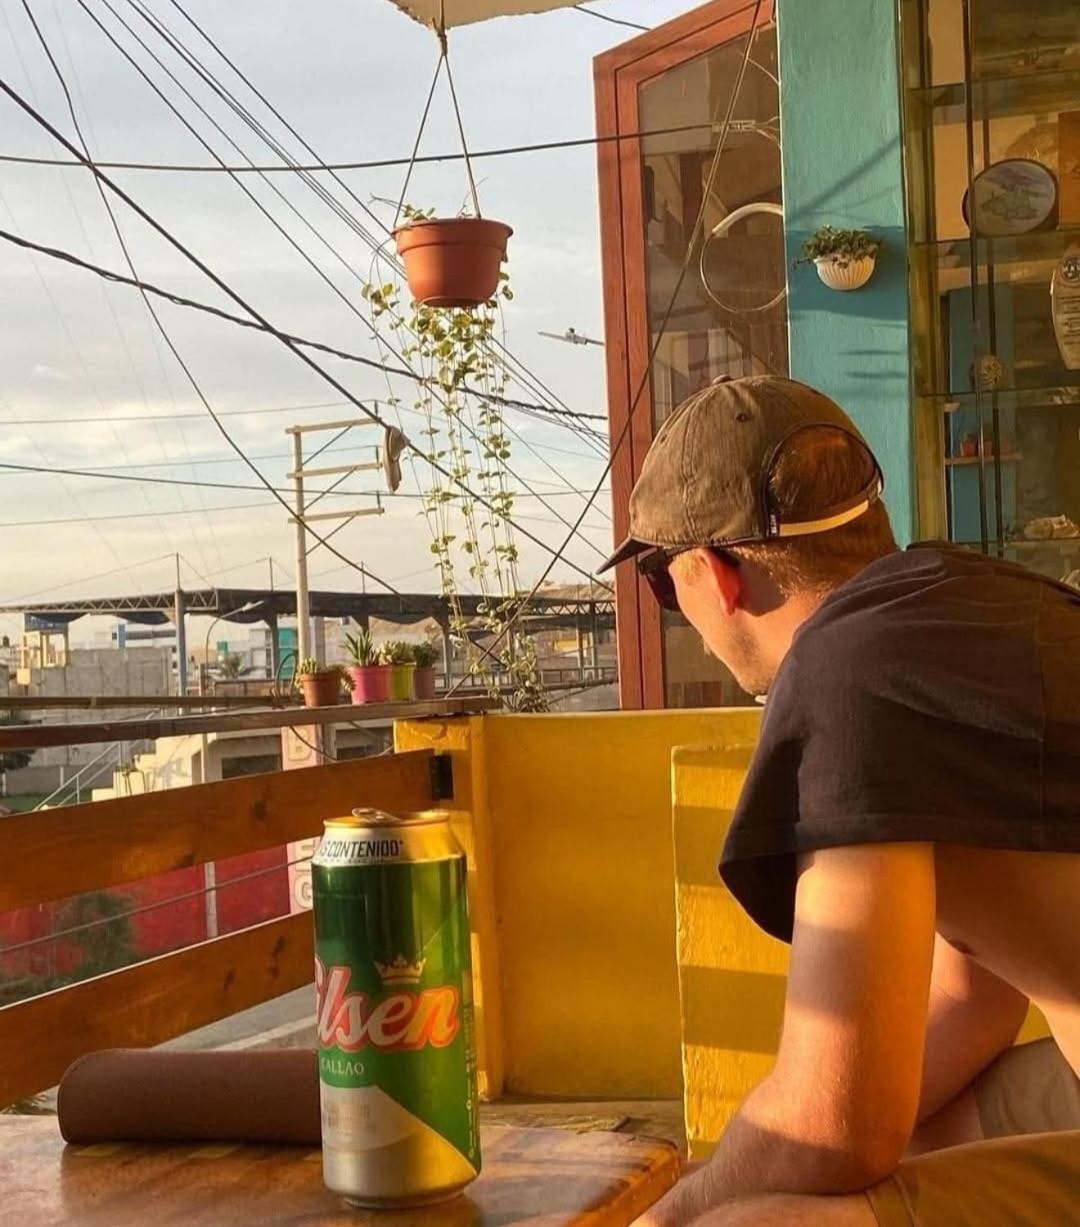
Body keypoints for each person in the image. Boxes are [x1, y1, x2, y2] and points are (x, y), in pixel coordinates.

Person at [599, 376, 1080, 1226]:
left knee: (747, 1222)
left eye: (661, 582)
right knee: (913, 1138)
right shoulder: (980, 608)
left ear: (716, 574)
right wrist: (744, 1162)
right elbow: (975, 1001)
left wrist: (671, 1214)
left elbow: (836, 1129)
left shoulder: (844, 675)